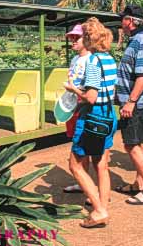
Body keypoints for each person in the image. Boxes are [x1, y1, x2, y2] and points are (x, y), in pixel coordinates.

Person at [65, 17, 117, 228]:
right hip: (108, 116)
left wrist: (74, 90)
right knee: (101, 164)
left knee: (75, 165)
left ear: (88, 38)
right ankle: (102, 204)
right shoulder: (110, 59)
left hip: (92, 117)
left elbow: (91, 97)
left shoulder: (94, 62)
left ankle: (99, 211)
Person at [115, 4, 143, 205]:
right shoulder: (138, 40)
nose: (121, 23)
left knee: (131, 145)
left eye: (123, 19)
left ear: (131, 21)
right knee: (140, 144)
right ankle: (138, 184)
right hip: (138, 103)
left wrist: (131, 101)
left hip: (138, 104)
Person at [62, 24, 91, 194]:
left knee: (86, 146)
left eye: (76, 37)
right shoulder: (75, 60)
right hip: (74, 104)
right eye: (71, 37)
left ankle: (93, 190)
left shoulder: (91, 60)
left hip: (85, 104)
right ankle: (83, 183)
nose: (72, 40)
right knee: (77, 142)